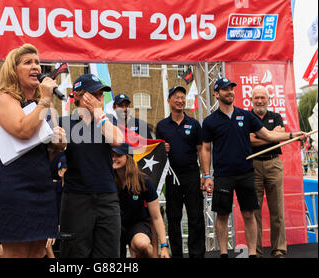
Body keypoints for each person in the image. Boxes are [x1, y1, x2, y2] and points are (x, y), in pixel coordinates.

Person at [200, 78, 308, 258]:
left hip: (246, 173)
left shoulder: (246, 115)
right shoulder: (210, 121)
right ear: (217, 94)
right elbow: (205, 148)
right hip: (223, 175)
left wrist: (293, 135)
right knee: (222, 215)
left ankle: (252, 254)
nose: (230, 92)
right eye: (225, 90)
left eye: (231, 89)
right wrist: (206, 175)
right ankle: (224, 254)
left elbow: (268, 135)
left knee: (249, 213)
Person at [0, 44, 66, 258]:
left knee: (38, 251)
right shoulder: (4, 99)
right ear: (14, 70)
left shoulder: (45, 104)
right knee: (17, 253)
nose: (36, 67)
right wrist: (45, 101)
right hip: (13, 186)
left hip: (40, 183)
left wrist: (57, 145)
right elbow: (23, 130)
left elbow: (46, 151)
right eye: (28, 62)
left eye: (38, 62)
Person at [58, 73, 124, 258]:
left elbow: (118, 140)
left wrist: (98, 113)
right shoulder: (65, 123)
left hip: (106, 197)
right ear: (78, 96)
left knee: (109, 256)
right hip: (76, 199)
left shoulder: (107, 120)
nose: (99, 99)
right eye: (94, 94)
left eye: (101, 94)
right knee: (74, 255)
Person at [155, 86, 205, 258]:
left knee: (196, 217)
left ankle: (197, 254)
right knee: (174, 218)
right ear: (169, 100)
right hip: (171, 176)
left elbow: (202, 150)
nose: (180, 100)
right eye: (176, 97)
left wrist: (205, 175)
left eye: (182, 97)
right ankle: (176, 254)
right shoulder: (162, 126)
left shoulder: (194, 124)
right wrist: (162, 149)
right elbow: (157, 154)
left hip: (191, 174)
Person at [112, 143, 169, 258]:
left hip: (137, 224)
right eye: (112, 155)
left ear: (128, 157)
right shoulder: (107, 179)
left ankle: (144, 252)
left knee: (141, 244)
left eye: (118, 155)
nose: (114, 158)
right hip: (114, 225)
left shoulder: (143, 181)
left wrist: (163, 247)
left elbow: (156, 216)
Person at [250, 85, 287, 258]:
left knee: (277, 209)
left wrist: (263, 137)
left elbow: (281, 133)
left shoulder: (276, 116)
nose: (259, 101)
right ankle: (256, 251)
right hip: (253, 166)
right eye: (256, 97)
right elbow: (249, 140)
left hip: (274, 164)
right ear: (251, 100)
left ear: (268, 100)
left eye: (262, 98)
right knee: (254, 211)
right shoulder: (246, 117)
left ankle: (279, 248)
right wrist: (272, 137)